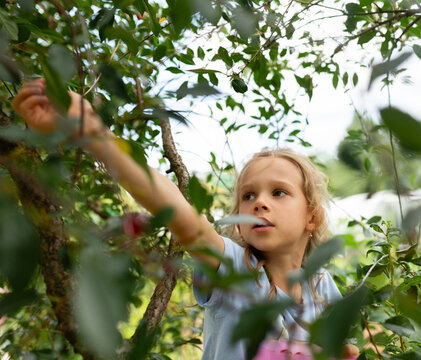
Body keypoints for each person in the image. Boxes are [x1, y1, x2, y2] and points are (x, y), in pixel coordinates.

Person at [12, 79, 359, 360]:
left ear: (312, 217)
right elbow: (183, 217)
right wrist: (95, 136)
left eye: (279, 193)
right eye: (248, 195)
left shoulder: (323, 287)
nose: (260, 203)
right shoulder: (234, 268)